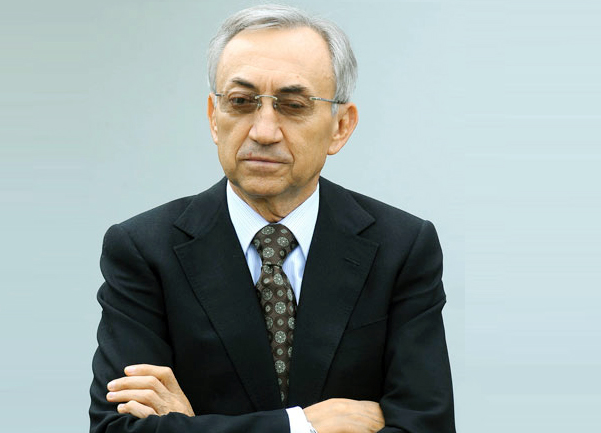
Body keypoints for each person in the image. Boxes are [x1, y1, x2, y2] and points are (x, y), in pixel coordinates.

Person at [89, 4, 455, 433]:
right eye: (240, 102)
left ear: (340, 126)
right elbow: (116, 430)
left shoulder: (402, 248)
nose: (263, 131)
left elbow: (426, 426)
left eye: (293, 105)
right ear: (213, 118)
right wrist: (302, 426)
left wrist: (194, 426)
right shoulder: (144, 251)